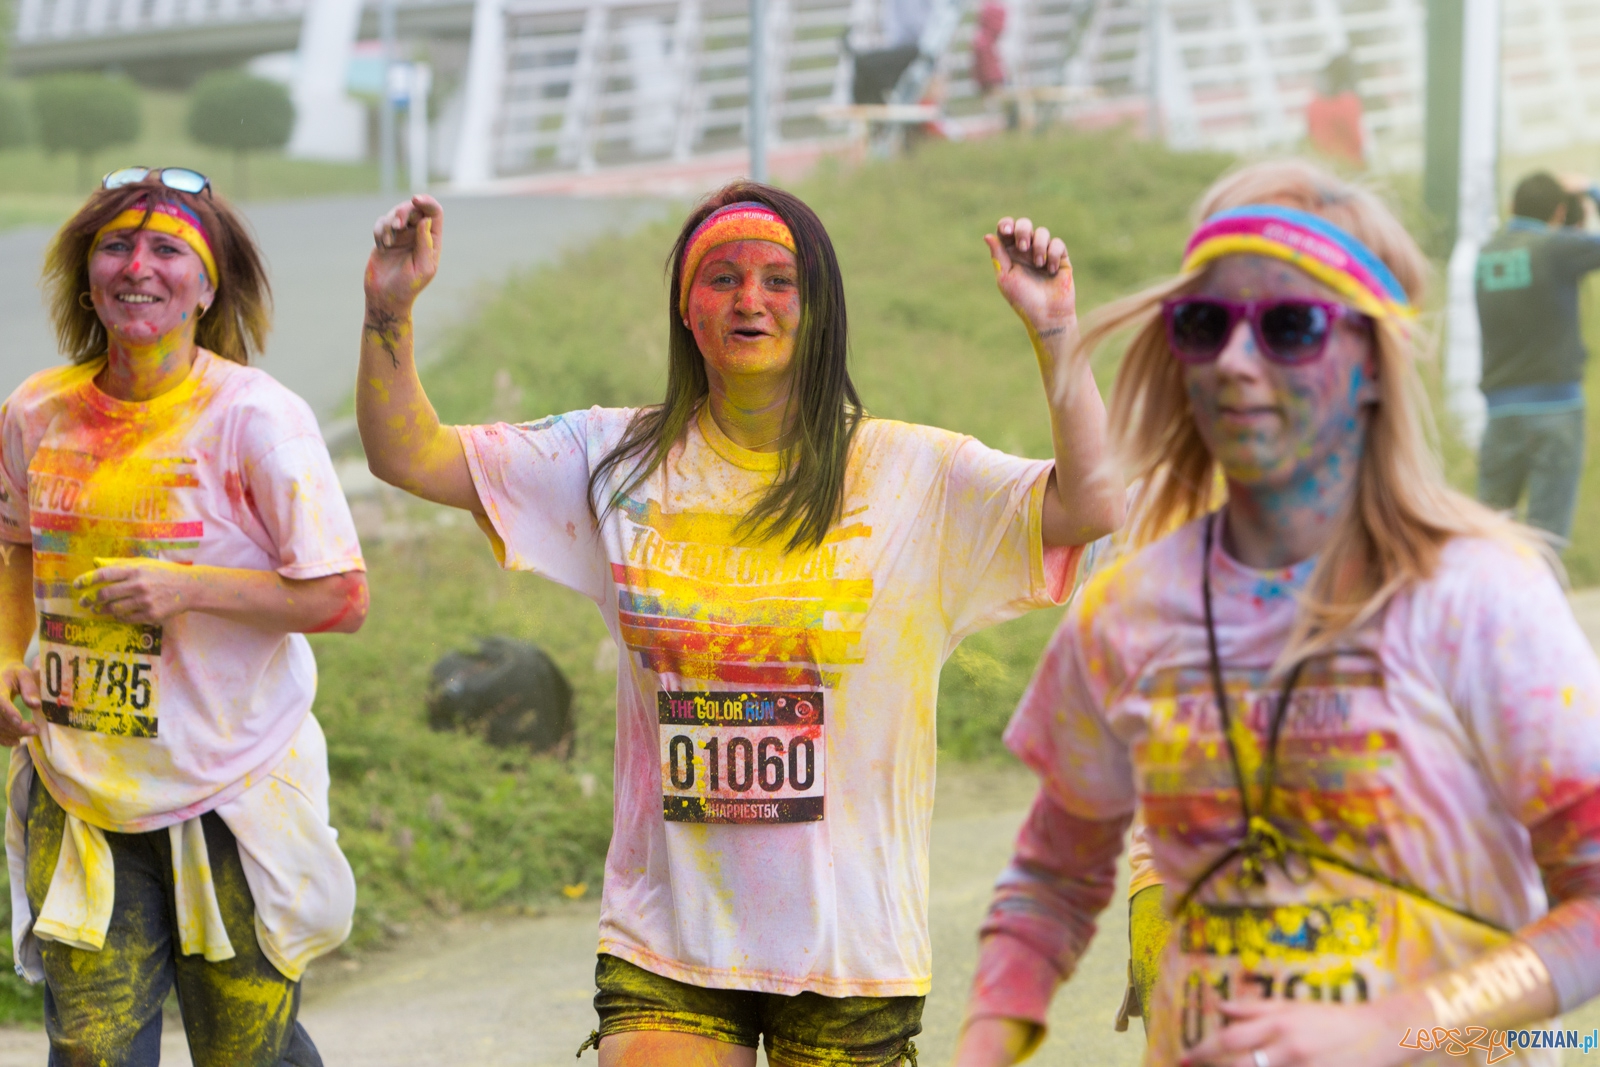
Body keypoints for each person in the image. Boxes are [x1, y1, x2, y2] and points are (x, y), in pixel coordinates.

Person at [355, 182, 1123, 1066]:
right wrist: (388, 308)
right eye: (720, 278)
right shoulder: (614, 461)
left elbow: (1090, 504)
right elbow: (408, 453)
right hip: (668, 936)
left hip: (851, 952)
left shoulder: (914, 476)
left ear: (819, 308)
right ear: (687, 310)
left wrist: (1056, 331)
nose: (749, 299)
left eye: (778, 279)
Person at [953, 158, 1600, 1067]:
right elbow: (1050, 883)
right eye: (1206, 323)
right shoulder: (1136, 602)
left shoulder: (1483, 595)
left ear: (1372, 359)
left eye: (1291, 326)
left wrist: (1396, 1025)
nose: (1236, 362)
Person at [0, 168, 368, 1066]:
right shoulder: (36, 409)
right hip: (80, 787)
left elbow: (341, 595)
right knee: (90, 1050)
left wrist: (187, 588)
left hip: (232, 790)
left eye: (168, 250)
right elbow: (12, 544)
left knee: (249, 1050)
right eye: (116, 246)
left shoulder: (256, 418)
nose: (139, 267)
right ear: (87, 273)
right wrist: (6, 657)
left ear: (207, 286)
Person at [1475, 170, 1600, 546]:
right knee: (1545, 538)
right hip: (1557, 407)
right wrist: (1592, 190)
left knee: (1491, 536)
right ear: (1560, 213)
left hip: (1500, 413)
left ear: (1512, 206)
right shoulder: (1557, 247)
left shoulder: (1486, 255)